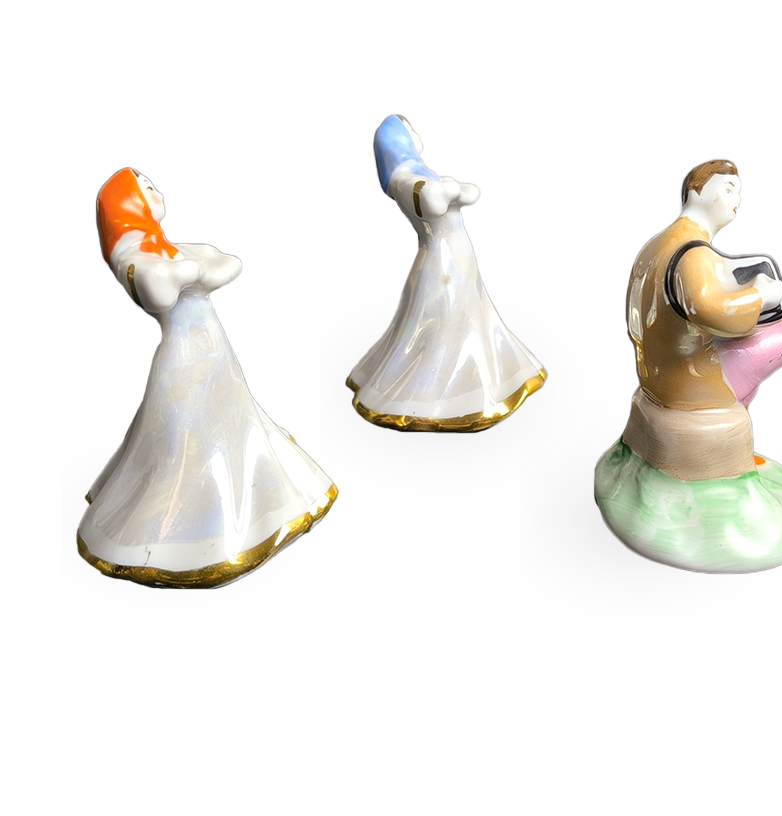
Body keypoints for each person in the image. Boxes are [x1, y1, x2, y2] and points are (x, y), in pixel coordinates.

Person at [78, 168, 337, 587]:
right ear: (128, 204)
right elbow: (158, 292)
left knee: (235, 423)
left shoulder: (166, 248)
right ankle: (188, 531)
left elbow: (227, 264)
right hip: (182, 358)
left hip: (214, 348)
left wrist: (192, 269)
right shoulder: (131, 254)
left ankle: (252, 506)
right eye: (147, 188)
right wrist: (190, 271)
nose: (158, 193)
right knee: (180, 437)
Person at [595, 159, 782, 572]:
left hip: (656, 372)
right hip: (690, 380)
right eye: (728, 189)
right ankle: (729, 415)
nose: (736, 200)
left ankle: (730, 413)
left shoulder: (658, 243)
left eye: (738, 191)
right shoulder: (693, 253)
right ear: (696, 193)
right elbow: (711, 311)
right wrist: (761, 294)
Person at [348, 115, 545, 431]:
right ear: (398, 141)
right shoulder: (403, 180)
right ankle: (436, 395)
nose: (417, 136)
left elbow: (466, 194)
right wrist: (451, 189)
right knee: (445, 320)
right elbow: (432, 203)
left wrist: (454, 189)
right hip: (441, 261)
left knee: (474, 314)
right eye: (410, 131)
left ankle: (487, 374)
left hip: (459, 255)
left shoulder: (421, 173)